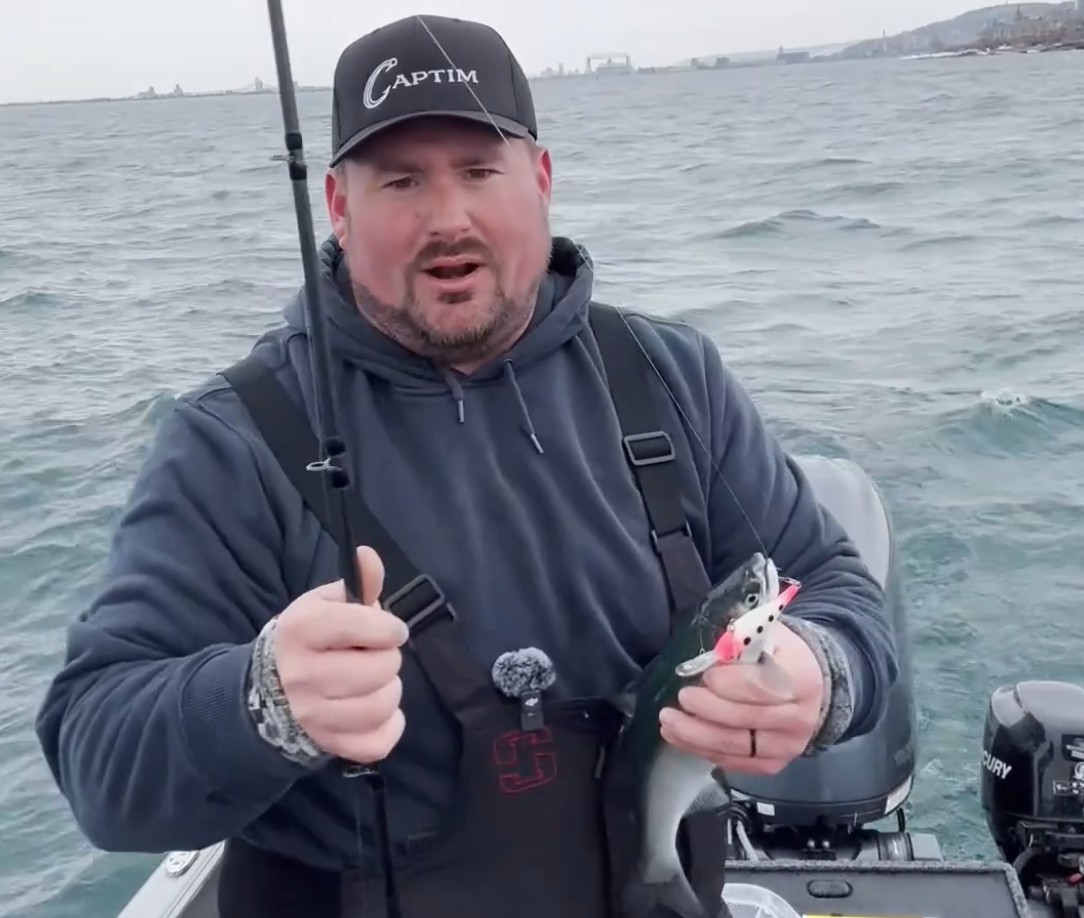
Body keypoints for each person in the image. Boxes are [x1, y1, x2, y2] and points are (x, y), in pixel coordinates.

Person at [35, 13, 899, 918]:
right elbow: (97, 756)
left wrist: (821, 675)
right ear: (337, 205)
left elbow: (837, 592)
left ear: (541, 179)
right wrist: (262, 702)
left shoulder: (670, 377)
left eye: (480, 171)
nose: (448, 219)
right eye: (401, 180)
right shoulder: (232, 440)